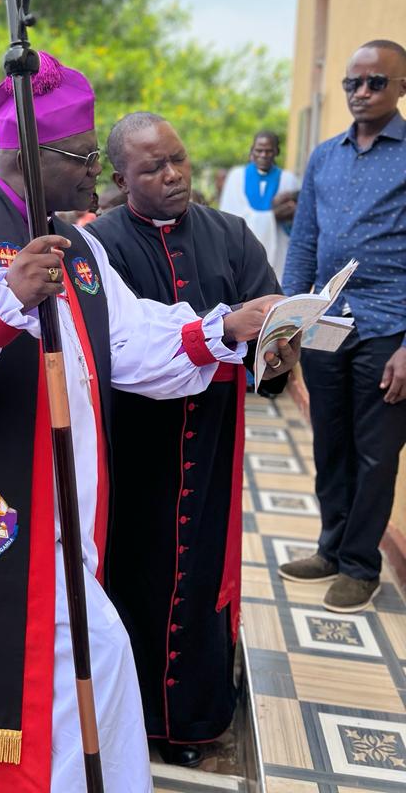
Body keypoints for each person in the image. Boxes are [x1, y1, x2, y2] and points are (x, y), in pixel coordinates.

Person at [0, 53, 280, 793]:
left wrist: (227, 329)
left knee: (86, 678)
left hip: (67, 513)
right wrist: (0, 304)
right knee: (70, 673)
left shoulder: (78, 243)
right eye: (82, 158)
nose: (96, 175)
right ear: (29, 153)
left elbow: (130, 340)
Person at [87, 112, 298, 766]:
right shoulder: (102, 247)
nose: (173, 174)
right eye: (153, 168)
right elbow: (113, 346)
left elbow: (270, 316)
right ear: (121, 179)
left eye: (177, 159)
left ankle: (197, 721)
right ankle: (136, 725)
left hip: (208, 442)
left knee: (201, 574)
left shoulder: (231, 234)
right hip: (134, 447)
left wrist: (279, 353)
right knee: (134, 576)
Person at [279, 39, 406, 612]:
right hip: (328, 324)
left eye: (375, 82)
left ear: (400, 87)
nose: (361, 92)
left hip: (389, 328)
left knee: (375, 453)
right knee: (330, 441)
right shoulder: (325, 156)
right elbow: (305, 239)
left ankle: (360, 565)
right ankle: (331, 549)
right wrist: (286, 321)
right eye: (353, 83)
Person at [219, 130, 300, 278]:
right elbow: (227, 220)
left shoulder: (288, 180)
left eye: (268, 151)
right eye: (259, 150)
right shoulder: (236, 177)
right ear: (252, 151)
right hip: (243, 256)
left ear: (277, 152)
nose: (263, 155)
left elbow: (296, 226)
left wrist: (289, 214)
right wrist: (272, 216)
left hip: (279, 255)